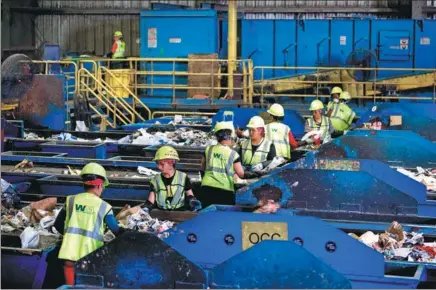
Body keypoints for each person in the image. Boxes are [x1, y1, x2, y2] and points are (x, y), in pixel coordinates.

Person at [54, 163, 123, 286]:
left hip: (69, 255)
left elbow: (58, 224)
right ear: (100, 185)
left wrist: (69, 237)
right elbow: (116, 231)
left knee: (70, 288)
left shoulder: (71, 200)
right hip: (91, 257)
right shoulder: (104, 206)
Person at [200, 121, 246, 207]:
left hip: (206, 188)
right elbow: (241, 174)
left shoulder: (208, 149)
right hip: (225, 190)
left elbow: (202, 168)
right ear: (230, 136)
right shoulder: (233, 154)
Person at [143, 146, 201, 212]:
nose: (159, 167)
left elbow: (190, 194)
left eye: (162, 164)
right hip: (161, 214)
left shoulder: (183, 177)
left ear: (171, 163)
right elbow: (151, 200)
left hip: (179, 213)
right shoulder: (155, 180)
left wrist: (192, 201)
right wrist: (146, 207)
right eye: (157, 164)